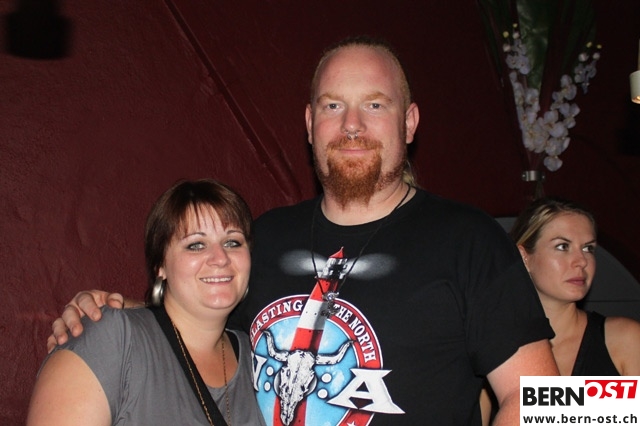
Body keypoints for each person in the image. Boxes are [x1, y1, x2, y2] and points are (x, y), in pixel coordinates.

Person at [48, 36, 559, 425]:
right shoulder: (263, 238)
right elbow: (198, 326)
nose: (352, 125)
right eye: (334, 106)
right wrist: (112, 313)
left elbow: (542, 400)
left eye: (374, 105)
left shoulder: (469, 239)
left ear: (409, 122)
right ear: (311, 123)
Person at [28, 179, 266, 426]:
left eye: (232, 242)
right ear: (160, 266)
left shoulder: (260, 355)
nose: (220, 258)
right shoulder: (112, 339)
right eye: (196, 245)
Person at [510, 197, 640, 375]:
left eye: (588, 248)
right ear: (524, 256)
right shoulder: (494, 346)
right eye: (563, 246)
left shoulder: (624, 339)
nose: (581, 261)